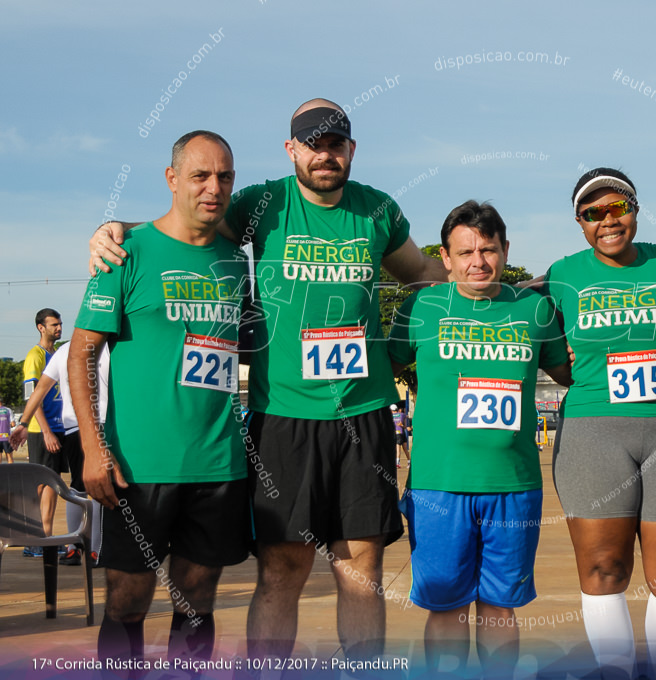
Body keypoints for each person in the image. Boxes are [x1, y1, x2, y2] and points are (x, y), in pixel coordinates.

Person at [90, 98, 447, 660]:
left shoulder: (378, 210)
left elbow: (425, 273)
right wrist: (116, 229)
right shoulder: (263, 203)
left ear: (351, 149)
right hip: (283, 419)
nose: (324, 154)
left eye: (335, 143)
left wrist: (489, 289)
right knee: (283, 570)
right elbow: (189, 220)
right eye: (313, 143)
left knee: (362, 571)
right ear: (292, 150)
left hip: (363, 416)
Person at [69, 130, 249, 666]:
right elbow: (81, 355)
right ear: (172, 180)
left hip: (218, 465)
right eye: (200, 175)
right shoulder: (127, 251)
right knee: (128, 604)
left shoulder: (237, 261)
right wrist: (93, 448)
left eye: (224, 176)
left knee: (197, 603)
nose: (213, 187)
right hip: (137, 468)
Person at [388, 200, 571, 676]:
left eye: (488, 250)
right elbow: (376, 373)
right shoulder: (421, 308)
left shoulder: (535, 310)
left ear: (505, 251)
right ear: (445, 258)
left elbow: (575, 372)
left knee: (498, 608)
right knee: (446, 608)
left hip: (513, 487)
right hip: (437, 487)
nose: (478, 262)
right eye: (465, 251)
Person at [544, 168, 656, 679]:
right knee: (602, 570)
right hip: (593, 432)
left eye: (619, 208)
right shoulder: (561, 275)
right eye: (593, 214)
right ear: (579, 222)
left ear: (635, 209)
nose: (608, 221)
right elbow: (541, 340)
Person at [10, 341, 110, 565]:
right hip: (103, 424)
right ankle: (95, 550)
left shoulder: (64, 351)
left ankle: (75, 547)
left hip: (75, 427)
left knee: (78, 485)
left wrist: (23, 423)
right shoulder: (110, 348)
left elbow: (40, 390)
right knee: (103, 485)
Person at [22, 308, 66, 556]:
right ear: (41, 327)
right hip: (42, 430)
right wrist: (47, 431)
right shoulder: (34, 355)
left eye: (60, 324)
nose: (59, 328)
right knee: (40, 484)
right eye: (54, 325)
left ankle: (46, 537)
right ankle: (33, 540)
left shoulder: (57, 354)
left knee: (52, 485)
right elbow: (32, 397)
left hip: (60, 428)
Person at [391, 403, 411, 468]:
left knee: (398, 449)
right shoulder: (402, 414)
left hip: (397, 434)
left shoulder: (391, 416)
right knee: (405, 449)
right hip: (403, 433)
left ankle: (397, 463)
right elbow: (407, 416)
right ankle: (409, 462)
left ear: (391, 410)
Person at [0, 398, 14, 464]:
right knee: (9, 456)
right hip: (6, 436)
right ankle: (11, 472)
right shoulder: (8, 410)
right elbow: (13, 424)